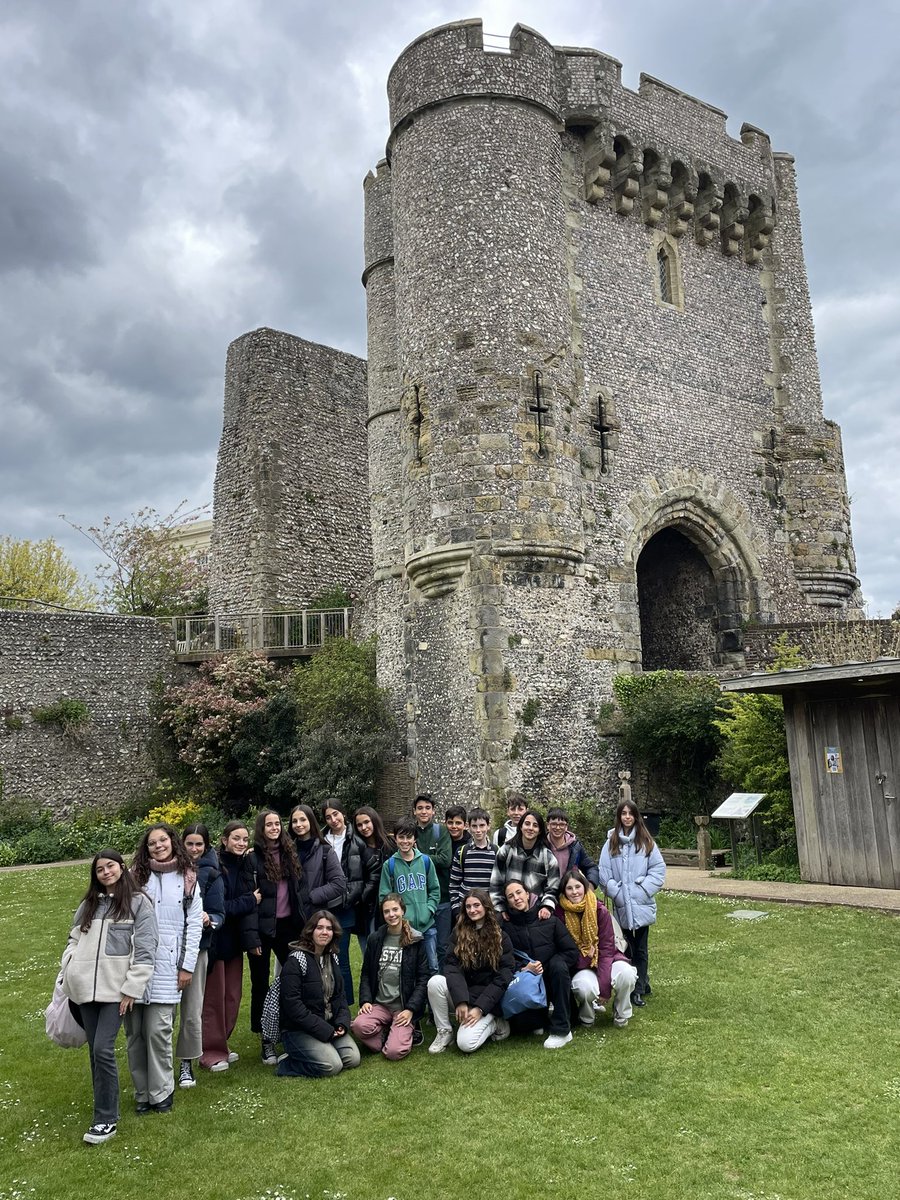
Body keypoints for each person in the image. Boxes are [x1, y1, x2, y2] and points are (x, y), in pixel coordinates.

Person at [61, 849, 158, 1144]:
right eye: (100, 869)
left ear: (122, 867)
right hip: (83, 991)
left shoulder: (138, 903)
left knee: (103, 1049)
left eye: (111, 866)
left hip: (115, 991)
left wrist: (132, 988)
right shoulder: (88, 905)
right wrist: (70, 966)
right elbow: (73, 939)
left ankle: (105, 1119)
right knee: (95, 1051)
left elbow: (146, 949)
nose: (106, 872)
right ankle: (103, 1111)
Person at [127, 824, 202, 1115]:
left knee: (158, 1032)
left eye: (163, 840)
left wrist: (187, 966)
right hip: (134, 966)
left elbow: (193, 925)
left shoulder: (188, 877)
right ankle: (142, 1093)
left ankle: (161, 1093)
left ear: (172, 842)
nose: (158, 846)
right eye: (152, 843)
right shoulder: (135, 877)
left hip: (168, 966)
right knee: (135, 1035)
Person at [200, 821, 261, 1071]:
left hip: (236, 941)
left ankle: (221, 1044)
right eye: (236, 838)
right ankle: (209, 1052)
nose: (241, 843)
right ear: (224, 840)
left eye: (245, 839)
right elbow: (220, 908)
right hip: (217, 941)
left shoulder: (244, 864)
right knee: (214, 999)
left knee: (232, 997)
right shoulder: (215, 866)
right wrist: (250, 900)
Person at [248, 809, 305, 1061]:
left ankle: (293, 1028)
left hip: (288, 926)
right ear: (261, 829)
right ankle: (266, 1039)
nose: (274, 828)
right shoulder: (253, 859)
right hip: (262, 929)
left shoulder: (289, 853)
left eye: (277, 824)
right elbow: (251, 901)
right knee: (260, 983)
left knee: (294, 978)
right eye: (269, 825)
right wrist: (252, 938)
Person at [427, 890, 514, 1054]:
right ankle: (444, 1032)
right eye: (468, 907)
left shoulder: (501, 936)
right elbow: (451, 967)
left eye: (476, 905)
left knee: (466, 1044)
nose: (472, 910)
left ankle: (497, 1023)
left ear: (486, 906)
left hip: (487, 1000)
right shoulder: (458, 933)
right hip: (464, 994)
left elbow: (503, 977)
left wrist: (480, 1008)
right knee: (435, 982)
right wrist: (461, 1000)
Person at [276, 910, 361, 1078]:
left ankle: (321, 1050)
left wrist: (341, 1024)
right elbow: (292, 1006)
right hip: (298, 1030)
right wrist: (324, 1030)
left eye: (329, 928)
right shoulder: (295, 961)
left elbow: (340, 997)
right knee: (332, 1066)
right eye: (319, 928)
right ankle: (287, 1063)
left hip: (327, 1025)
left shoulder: (332, 958)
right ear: (310, 931)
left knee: (352, 1059)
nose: (324, 932)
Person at [598, 801, 666, 1007]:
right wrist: (617, 893)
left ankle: (639, 989)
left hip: (641, 904)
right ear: (619, 817)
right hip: (621, 906)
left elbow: (658, 870)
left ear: (636, 816)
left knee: (641, 949)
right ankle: (635, 982)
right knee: (626, 947)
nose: (627, 817)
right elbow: (604, 874)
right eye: (623, 813)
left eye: (630, 813)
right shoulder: (611, 843)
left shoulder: (646, 842)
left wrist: (642, 890)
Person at [350, 892, 430, 1061]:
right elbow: (366, 973)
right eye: (386, 911)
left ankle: (404, 1030)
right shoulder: (375, 939)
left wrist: (411, 1009)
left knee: (394, 1052)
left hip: (403, 1007)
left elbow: (423, 979)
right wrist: (365, 1000)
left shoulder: (415, 940)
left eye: (395, 910)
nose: (391, 914)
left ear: (403, 911)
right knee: (358, 1025)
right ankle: (385, 1033)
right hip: (380, 1004)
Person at [175, 824, 225, 1089]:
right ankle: (160, 1062)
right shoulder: (169, 869)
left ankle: (186, 1063)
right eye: (189, 844)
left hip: (198, 948)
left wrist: (210, 918)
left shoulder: (212, 873)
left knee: (192, 1010)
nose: (194, 849)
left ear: (206, 846)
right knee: (162, 1010)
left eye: (199, 844)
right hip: (167, 948)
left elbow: (219, 912)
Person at [557, 869, 637, 1028]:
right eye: (569, 888)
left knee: (627, 975)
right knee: (584, 988)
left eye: (578, 887)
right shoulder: (559, 914)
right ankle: (586, 1015)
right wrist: (586, 957)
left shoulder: (599, 910)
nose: (574, 892)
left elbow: (606, 949)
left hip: (607, 958)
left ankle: (621, 1012)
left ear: (585, 887)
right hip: (580, 964)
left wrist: (604, 988)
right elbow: (565, 951)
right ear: (564, 891)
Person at [503, 879, 578, 1049]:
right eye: (511, 896)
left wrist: (553, 963)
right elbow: (503, 960)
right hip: (528, 985)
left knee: (558, 965)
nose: (516, 898)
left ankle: (562, 1030)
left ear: (527, 894)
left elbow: (571, 951)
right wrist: (524, 968)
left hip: (553, 981)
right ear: (507, 902)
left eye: (519, 892)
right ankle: (538, 1019)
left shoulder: (549, 919)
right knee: (527, 1027)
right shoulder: (506, 927)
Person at [322, 799, 368, 1004]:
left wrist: (350, 899)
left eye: (336, 814)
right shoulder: (321, 839)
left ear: (343, 813)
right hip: (324, 905)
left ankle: (345, 1005)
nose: (333, 820)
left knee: (342, 959)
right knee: (323, 957)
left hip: (345, 906)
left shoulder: (356, 840)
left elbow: (362, 874)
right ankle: (325, 1001)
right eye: (328, 817)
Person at [378, 819, 440, 970]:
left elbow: (434, 889)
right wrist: (398, 917)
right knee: (407, 968)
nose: (405, 841)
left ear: (414, 839)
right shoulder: (390, 865)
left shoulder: (425, 861)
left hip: (427, 926)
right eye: (401, 837)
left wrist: (429, 910)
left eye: (409, 837)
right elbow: (384, 896)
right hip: (403, 928)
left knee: (432, 966)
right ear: (395, 838)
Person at [490, 809, 560, 920]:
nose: (530, 828)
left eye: (535, 825)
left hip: (536, 915)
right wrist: (500, 909)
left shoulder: (548, 858)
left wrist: (546, 906)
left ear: (540, 831)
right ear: (521, 827)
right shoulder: (506, 851)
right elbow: (496, 883)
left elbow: (553, 888)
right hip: (509, 914)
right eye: (527, 824)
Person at [412, 794, 453, 969]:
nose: (424, 811)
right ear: (414, 811)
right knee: (419, 945)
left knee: (442, 946)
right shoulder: (410, 832)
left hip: (442, 897)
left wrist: (419, 856)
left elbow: (445, 859)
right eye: (420, 808)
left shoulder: (441, 831)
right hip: (418, 899)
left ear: (433, 811)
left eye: (428, 808)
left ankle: (443, 980)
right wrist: (431, 857)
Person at [353, 806, 394, 938]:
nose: (364, 827)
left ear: (374, 821)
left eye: (366, 822)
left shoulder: (390, 844)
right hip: (365, 908)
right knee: (369, 946)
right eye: (359, 825)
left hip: (389, 903)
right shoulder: (355, 848)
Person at [449, 808, 496, 921]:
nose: (478, 830)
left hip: (488, 910)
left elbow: (499, 885)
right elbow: (454, 884)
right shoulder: (462, 852)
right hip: (466, 911)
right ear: (468, 827)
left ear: (488, 826)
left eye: (482, 825)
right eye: (474, 826)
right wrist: (457, 910)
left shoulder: (496, 852)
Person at [546, 808, 600, 886]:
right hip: (546, 891)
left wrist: (591, 885)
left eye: (562, 824)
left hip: (570, 890)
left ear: (566, 827)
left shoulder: (575, 847)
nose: (558, 828)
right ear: (548, 825)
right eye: (554, 824)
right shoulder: (541, 845)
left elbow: (591, 867)